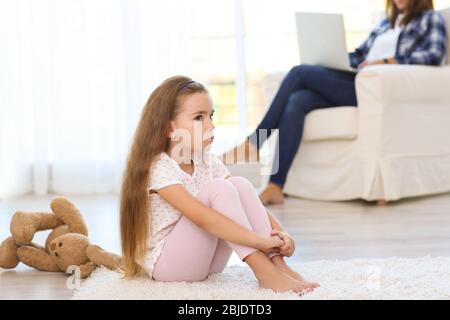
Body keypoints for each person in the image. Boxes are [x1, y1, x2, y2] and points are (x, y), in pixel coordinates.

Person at [221, 0, 447, 205]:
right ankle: (275, 185)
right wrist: (333, 59)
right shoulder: (385, 24)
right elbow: (360, 55)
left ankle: (253, 144)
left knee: (299, 73)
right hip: (357, 80)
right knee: (298, 100)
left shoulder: (430, 19)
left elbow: (434, 55)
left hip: (375, 90)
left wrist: (386, 61)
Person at [120, 75, 319, 295]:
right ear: (170, 129)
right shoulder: (158, 167)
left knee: (239, 184)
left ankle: (279, 267)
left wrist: (281, 234)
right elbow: (202, 217)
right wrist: (258, 241)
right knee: (220, 189)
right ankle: (264, 272)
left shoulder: (206, 161)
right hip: (171, 266)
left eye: (211, 116)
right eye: (199, 118)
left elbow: (249, 205)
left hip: (207, 262)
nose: (211, 125)